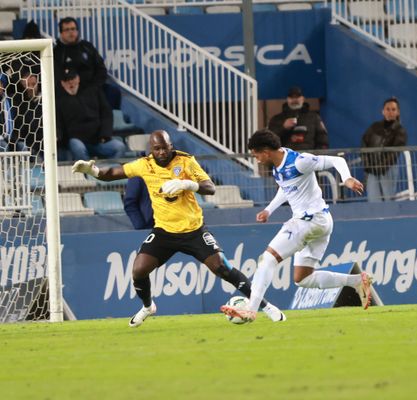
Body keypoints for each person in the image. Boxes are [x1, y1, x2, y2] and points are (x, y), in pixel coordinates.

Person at [71, 130, 286, 327]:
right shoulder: (143, 165)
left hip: (194, 230)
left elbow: (210, 187)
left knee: (222, 267)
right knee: (138, 270)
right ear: (150, 150)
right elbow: (113, 173)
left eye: (166, 147)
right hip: (164, 232)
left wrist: (187, 184)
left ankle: (266, 306)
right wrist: (93, 170)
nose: (162, 152)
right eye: (157, 148)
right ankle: (148, 307)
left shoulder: (185, 161)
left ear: (171, 146)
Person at [220, 129, 372, 323]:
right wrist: (269, 210)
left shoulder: (300, 161)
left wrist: (347, 178)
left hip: (308, 221)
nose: (256, 158)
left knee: (267, 259)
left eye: (256, 154)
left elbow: (337, 161)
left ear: (266, 151)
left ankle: (250, 309)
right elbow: (287, 188)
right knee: (303, 278)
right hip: (320, 222)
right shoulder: (279, 164)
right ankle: (357, 281)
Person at [56, 68, 126, 160]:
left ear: (78, 79)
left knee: (119, 147)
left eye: (72, 79)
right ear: (62, 83)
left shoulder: (93, 92)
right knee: (77, 147)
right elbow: (58, 125)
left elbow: (106, 113)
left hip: (97, 140)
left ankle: (108, 172)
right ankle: (87, 172)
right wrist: (60, 139)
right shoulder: (59, 101)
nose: (70, 83)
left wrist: (104, 135)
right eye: (66, 80)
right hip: (76, 140)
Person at [360, 97, 408, 202]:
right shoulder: (374, 127)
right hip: (372, 170)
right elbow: (364, 144)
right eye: (388, 109)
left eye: (393, 109)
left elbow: (395, 151)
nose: (390, 112)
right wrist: (368, 165)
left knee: (388, 199)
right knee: (373, 199)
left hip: (388, 169)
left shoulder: (400, 130)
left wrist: (382, 166)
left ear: (398, 112)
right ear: (383, 111)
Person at [267, 86, 329, 151]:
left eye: (297, 97)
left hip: (308, 157)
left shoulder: (314, 117)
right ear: (287, 99)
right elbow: (269, 140)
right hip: (286, 158)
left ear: (303, 99)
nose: (294, 100)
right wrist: (283, 127)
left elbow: (323, 140)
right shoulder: (277, 119)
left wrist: (316, 156)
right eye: (291, 97)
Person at [54, 17, 107, 90]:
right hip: (68, 91)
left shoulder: (87, 46)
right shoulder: (56, 52)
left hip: (92, 88)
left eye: (73, 29)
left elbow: (101, 69)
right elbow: (57, 77)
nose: (71, 32)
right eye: (67, 30)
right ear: (61, 33)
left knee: (113, 92)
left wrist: (95, 87)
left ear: (77, 31)